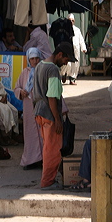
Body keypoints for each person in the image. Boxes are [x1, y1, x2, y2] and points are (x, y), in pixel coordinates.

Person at [32, 41, 77, 190]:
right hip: (49, 114)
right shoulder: (52, 70)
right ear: (59, 55)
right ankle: (48, 182)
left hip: (39, 112)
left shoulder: (39, 66)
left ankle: (49, 179)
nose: (65, 63)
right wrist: (58, 119)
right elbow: (52, 96)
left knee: (47, 148)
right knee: (53, 150)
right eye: (65, 59)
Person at [14, 47, 43, 170]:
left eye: (37, 58)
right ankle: (30, 160)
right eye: (32, 59)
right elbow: (17, 88)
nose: (35, 61)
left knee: (42, 133)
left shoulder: (43, 71)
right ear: (29, 60)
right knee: (30, 133)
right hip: (28, 107)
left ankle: (42, 159)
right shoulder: (24, 73)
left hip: (40, 106)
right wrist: (21, 92)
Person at [62, 13, 87, 85]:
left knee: (75, 64)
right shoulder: (64, 30)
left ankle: (72, 79)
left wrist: (83, 48)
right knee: (67, 63)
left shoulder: (77, 30)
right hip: (67, 49)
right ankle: (64, 74)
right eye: (70, 20)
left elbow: (81, 40)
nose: (71, 22)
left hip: (75, 49)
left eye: (72, 21)